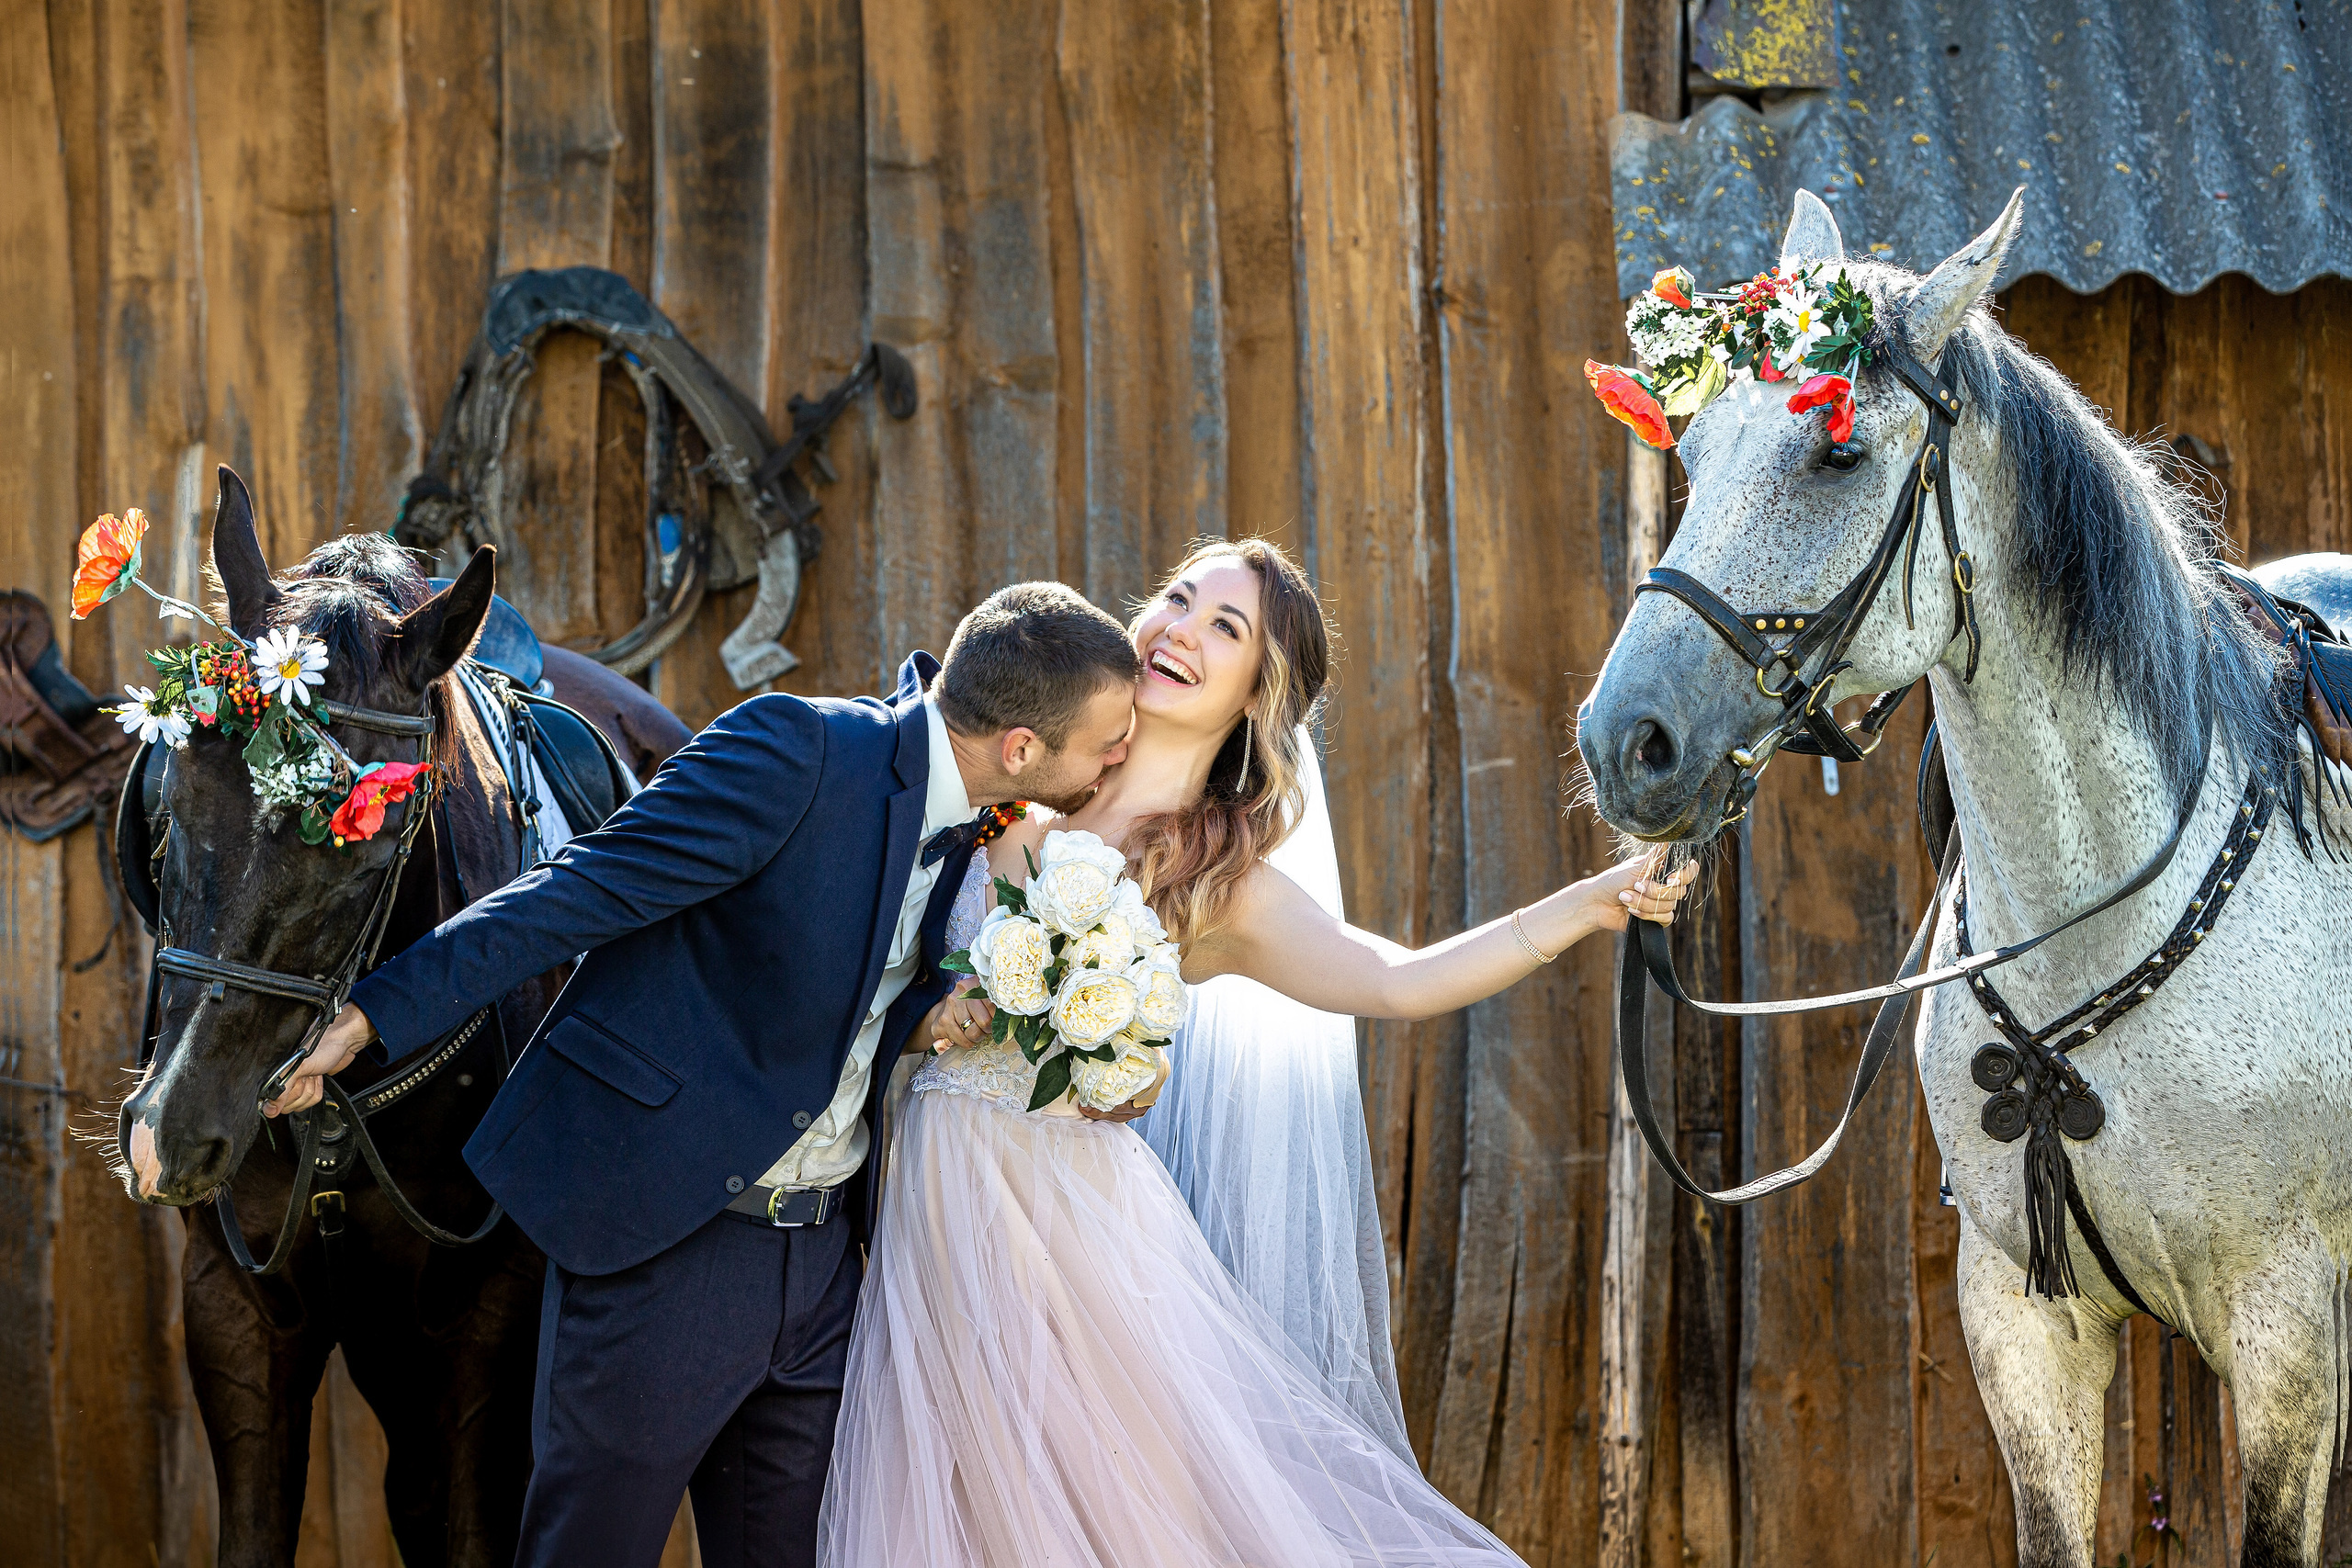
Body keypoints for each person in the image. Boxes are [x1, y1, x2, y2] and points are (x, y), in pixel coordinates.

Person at [821, 539, 1693, 1566]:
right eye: (1179, 601)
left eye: (1223, 629)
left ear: (1255, 694)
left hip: (1061, 1241)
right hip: (916, 1218)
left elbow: (1392, 980)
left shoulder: (1216, 877)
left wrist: (1581, 908)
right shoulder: (1020, 769)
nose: (1181, 630)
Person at [269, 583, 1148, 1568]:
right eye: (1108, 738)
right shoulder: (799, 751)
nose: (1120, 755)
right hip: (669, 1245)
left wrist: (923, 1016)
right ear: (1022, 746)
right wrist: (372, 1015)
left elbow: (835, 971)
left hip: (822, 1269)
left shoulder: (981, 822)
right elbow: (581, 887)